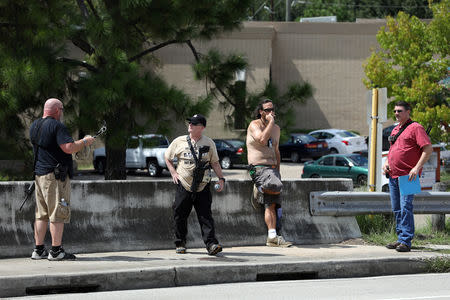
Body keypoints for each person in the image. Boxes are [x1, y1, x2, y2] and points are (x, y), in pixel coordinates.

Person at [29, 98, 95, 260]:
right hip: (55, 177)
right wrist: (85, 141)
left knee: (41, 214)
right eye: (62, 110)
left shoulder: (34, 126)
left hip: (39, 175)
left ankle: (38, 250)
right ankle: (56, 251)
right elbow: (69, 148)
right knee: (58, 212)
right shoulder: (57, 126)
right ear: (57, 110)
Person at [164, 114, 226, 255]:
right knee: (179, 214)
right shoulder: (179, 141)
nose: (190, 125)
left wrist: (221, 179)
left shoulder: (209, 143)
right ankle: (180, 243)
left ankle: (211, 244)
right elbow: (167, 157)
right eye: (190, 123)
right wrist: (173, 172)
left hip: (203, 185)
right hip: (184, 185)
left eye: (194, 123)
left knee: (205, 216)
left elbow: (215, 162)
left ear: (202, 127)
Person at [382, 101, 432, 252]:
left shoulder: (416, 127)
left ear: (408, 112)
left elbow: (427, 149)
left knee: (405, 208)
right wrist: (385, 163)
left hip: (408, 176)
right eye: (395, 111)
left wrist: (417, 168)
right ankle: (400, 238)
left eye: (400, 111)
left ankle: (406, 241)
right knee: (397, 209)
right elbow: (392, 151)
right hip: (393, 176)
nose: (396, 113)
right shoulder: (395, 129)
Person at [246, 99, 292, 247]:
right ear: (261, 112)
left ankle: (272, 237)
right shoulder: (254, 125)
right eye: (267, 110)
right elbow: (262, 139)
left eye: (272, 109)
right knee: (275, 185)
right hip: (258, 168)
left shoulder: (276, 129)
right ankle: (259, 187)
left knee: (271, 204)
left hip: (272, 171)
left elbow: (276, 151)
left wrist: (278, 170)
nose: (271, 112)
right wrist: (270, 122)